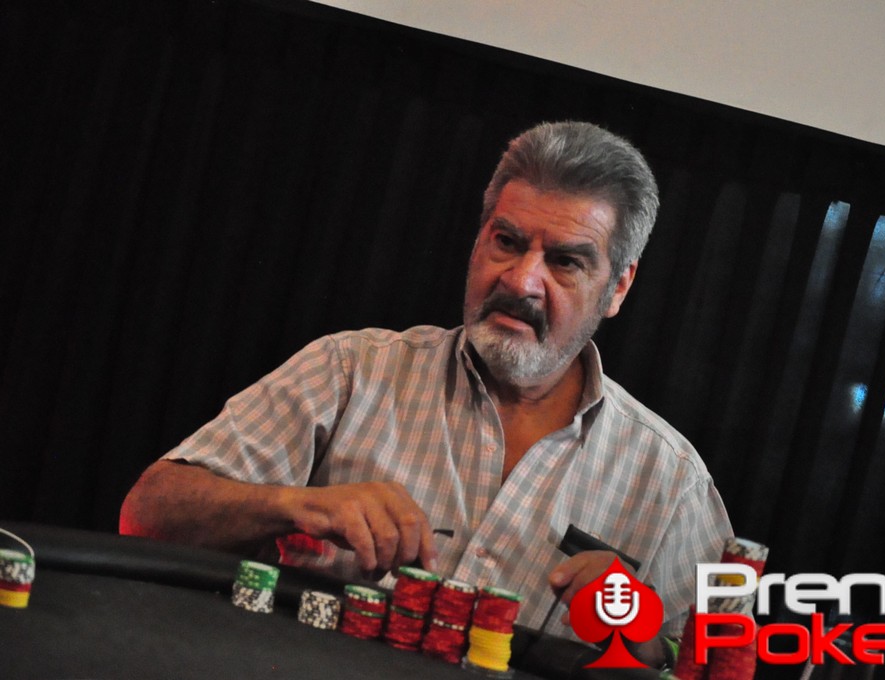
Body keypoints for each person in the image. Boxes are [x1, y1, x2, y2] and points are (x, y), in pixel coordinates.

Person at [120, 121, 732, 667]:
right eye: (507, 241)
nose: (522, 280)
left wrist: (644, 639)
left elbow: (729, 661)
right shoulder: (350, 370)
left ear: (618, 288)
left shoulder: (672, 482)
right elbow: (146, 515)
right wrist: (295, 505)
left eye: (565, 262)